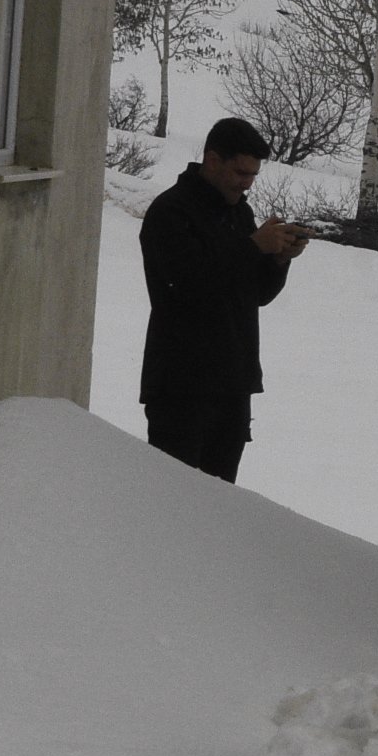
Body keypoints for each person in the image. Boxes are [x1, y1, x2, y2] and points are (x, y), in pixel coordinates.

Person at [138, 116, 310, 482]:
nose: (246, 184)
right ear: (213, 161)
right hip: (181, 389)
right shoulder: (170, 212)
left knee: (221, 507)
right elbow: (184, 288)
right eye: (240, 173)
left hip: (232, 386)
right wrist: (251, 248)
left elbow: (254, 293)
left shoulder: (238, 212)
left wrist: (278, 260)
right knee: (173, 501)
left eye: (253, 176)